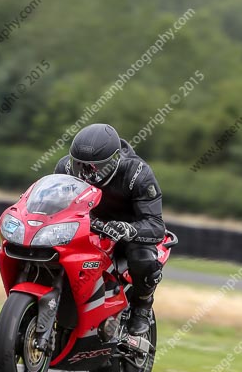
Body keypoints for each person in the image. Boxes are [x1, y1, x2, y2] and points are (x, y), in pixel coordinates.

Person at [54, 123, 165, 335]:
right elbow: (53, 201)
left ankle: (142, 306)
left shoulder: (137, 173)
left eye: (93, 167)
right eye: (80, 165)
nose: (85, 173)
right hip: (85, 228)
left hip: (127, 233)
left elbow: (156, 225)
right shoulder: (65, 169)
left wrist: (127, 229)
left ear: (113, 160)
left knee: (143, 258)